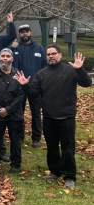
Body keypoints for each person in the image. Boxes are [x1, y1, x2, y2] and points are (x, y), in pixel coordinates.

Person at [17, 47, 92, 189]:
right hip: (49, 116)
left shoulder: (70, 70)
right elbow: (34, 94)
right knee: (51, 146)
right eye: (48, 54)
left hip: (66, 116)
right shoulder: (41, 74)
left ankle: (69, 176)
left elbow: (87, 83)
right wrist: (25, 86)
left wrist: (80, 69)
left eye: (53, 54)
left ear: (60, 55)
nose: (51, 56)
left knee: (67, 148)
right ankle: (54, 171)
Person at [0, 49, 24, 174]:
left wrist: (8, 109)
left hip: (15, 114)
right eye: (2, 56)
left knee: (15, 141)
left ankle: (15, 165)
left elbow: (21, 95)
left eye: (7, 56)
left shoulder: (18, 74)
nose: (5, 58)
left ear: (12, 58)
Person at [14, 24, 46, 148]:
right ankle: (19, 136)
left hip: (35, 86)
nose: (25, 34)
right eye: (22, 32)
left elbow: (45, 67)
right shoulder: (15, 48)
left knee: (36, 113)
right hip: (19, 86)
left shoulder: (39, 49)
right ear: (19, 34)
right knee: (18, 113)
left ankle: (36, 138)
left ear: (30, 32)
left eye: (27, 31)